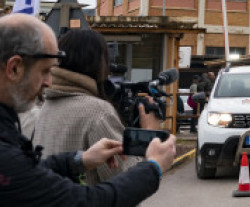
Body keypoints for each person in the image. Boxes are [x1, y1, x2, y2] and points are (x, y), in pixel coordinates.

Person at [0, 14, 176, 205]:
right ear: (14, 68)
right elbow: (88, 201)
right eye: (44, 71)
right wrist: (153, 165)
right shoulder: (97, 112)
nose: (49, 82)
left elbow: (28, 174)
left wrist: (80, 160)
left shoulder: (22, 118)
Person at [33, 28, 160, 184]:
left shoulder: (43, 105)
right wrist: (147, 135)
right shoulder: (97, 112)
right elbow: (125, 181)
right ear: (99, 64)